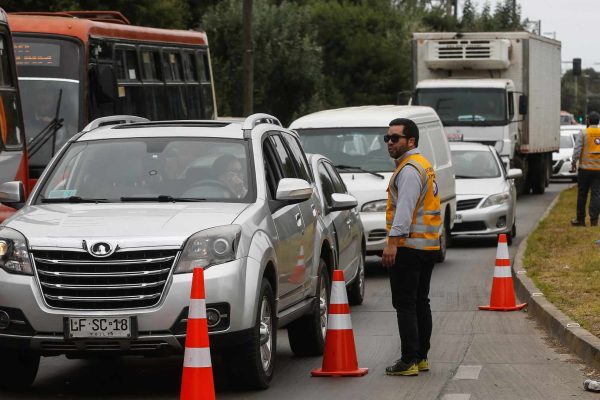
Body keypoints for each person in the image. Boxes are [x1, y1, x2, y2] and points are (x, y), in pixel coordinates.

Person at [381, 118, 441, 376]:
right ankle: (421, 356)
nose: (390, 143)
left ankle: (409, 361)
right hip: (427, 247)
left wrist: (392, 244)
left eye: (395, 138)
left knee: (405, 303)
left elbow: (404, 211)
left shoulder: (408, 170)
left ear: (411, 141)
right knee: (419, 302)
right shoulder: (423, 165)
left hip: (409, 247)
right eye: (388, 138)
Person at [570, 111, 600, 227]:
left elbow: (577, 150)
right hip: (598, 170)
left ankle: (580, 220)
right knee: (596, 195)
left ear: (588, 121)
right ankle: (594, 221)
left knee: (582, 194)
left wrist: (573, 162)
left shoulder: (583, 133)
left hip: (585, 170)